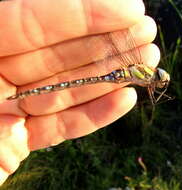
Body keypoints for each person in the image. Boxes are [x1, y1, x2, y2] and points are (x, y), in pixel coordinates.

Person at [0, 0, 160, 185]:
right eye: (157, 79)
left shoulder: (143, 71)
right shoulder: (145, 74)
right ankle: (21, 95)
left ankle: (20, 95)